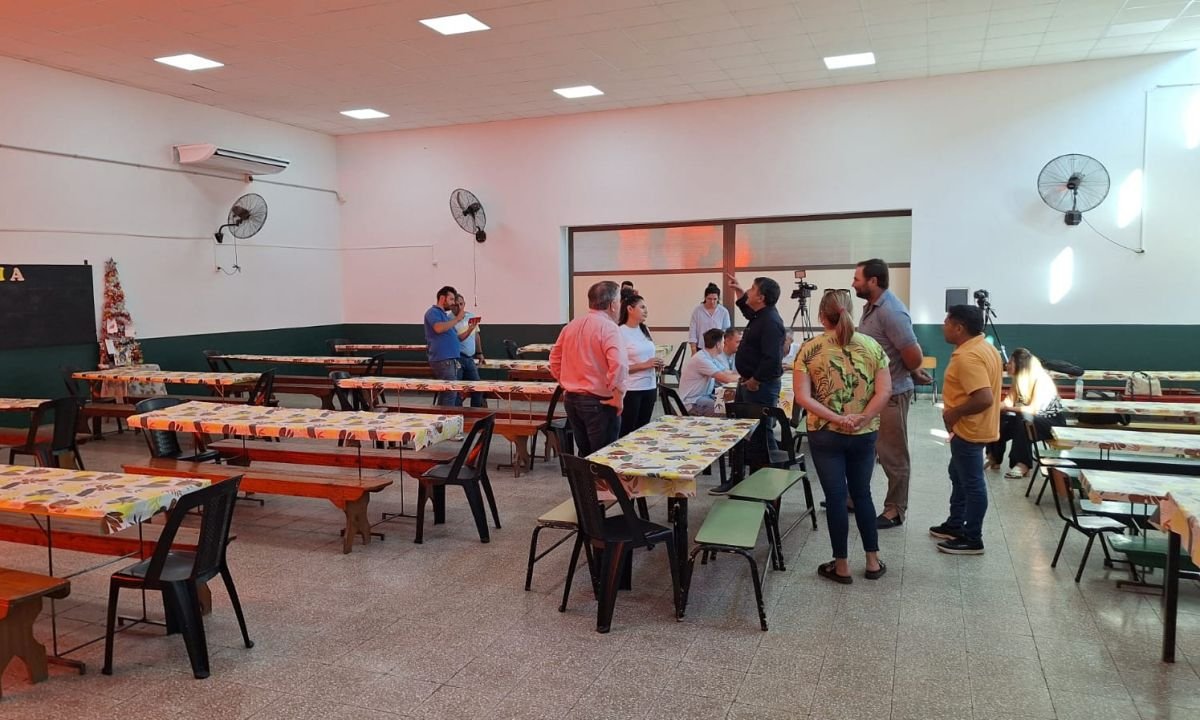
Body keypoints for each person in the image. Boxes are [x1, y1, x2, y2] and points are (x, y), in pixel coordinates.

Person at [794, 290, 891, 583]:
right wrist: (862, 417)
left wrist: (837, 418)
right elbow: (884, 391)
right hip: (864, 433)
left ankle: (842, 566)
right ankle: (872, 562)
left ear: (822, 317)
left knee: (836, 498)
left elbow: (802, 397)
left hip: (825, 434)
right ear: (851, 312)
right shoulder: (873, 347)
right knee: (862, 494)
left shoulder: (809, 349)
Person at [852, 258, 933, 530]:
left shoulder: (891, 311)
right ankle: (854, 498)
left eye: (857, 279)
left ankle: (895, 510)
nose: (853, 283)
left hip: (892, 395)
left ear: (873, 281)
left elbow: (914, 356)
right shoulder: (872, 307)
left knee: (893, 455)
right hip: (872, 394)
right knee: (864, 449)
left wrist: (911, 370)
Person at [930, 305, 1002, 555]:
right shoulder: (985, 347)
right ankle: (955, 524)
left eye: (946, 322)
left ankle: (972, 538)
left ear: (959, 327)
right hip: (976, 427)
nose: (943, 326)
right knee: (958, 473)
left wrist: (953, 413)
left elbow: (983, 398)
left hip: (970, 429)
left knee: (972, 483)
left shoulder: (968, 356)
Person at [721, 273, 785, 494]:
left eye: (752, 289)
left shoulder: (771, 322)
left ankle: (769, 484)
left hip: (759, 386)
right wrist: (739, 291)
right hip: (748, 383)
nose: (749, 291)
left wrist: (755, 380)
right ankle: (739, 479)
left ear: (762, 297)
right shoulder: (760, 316)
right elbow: (748, 311)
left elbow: (772, 359)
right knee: (743, 432)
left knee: (761, 435)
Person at [549, 281, 628, 456]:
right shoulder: (609, 328)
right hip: (599, 401)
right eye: (619, 301)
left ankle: (583, 476)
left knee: (584, 453)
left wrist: (564, 381)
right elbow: (619, 363)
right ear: (612, 305)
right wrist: (618, 393)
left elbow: (554, 358)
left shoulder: (571, 325)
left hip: (572, 399)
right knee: (603, 456)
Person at [987, 348, 1065, 478]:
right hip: (1030, 419)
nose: (1007, 365)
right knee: (1000, 417)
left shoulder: (1041, 379)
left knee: (1023, 419)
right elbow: (1008, 402)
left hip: (1051, 422)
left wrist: (1007, 408)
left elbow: (1033, 409)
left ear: (1020, 364)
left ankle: (1022, 464)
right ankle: (993, 457)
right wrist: (994, 408)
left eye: (1010, 362)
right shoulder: (1018, 379)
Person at [618, 293, 664, 436]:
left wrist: (656, 364)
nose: (646, 311)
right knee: (627, 430)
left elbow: (648, 356)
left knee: (643, 430)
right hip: (632, 389)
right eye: (642, 307)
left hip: (649, 386)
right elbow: (619, 367)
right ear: (630, 309)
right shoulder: (620, 332)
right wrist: (644, 365)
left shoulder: (644, 329)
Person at [678, 328, 740, 416]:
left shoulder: (709, 357)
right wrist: (746, 379)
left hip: (703, 397)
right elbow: (725, 378)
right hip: (692, 402)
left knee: (732, 405)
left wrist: (746, 376)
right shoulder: (702, 359)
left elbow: (727, 372)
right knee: (728, 411)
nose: (724, 345)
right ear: (718, 345)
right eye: (723, 342)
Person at [424, 285, 465, 406]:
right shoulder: (433, 312)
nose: (453, 303)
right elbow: (438, 328)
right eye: (451, 299)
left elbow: (455, 336)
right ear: (442, 298)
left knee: (446, 392)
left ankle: (441, 415)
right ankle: (447, 416)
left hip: (448, 359)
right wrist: (457, 319)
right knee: (450, 392)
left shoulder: (444, 316)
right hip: (443, 359)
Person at [453, 293, 486, 408]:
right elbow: (456, 338)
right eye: (456, 305)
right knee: (456, 389)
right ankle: (458, 414)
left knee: (477, 388)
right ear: (451, 306)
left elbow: (476, 335)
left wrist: (479, 353)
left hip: (470, 357)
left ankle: (475, 413)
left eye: (461, 304)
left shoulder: (471, 316)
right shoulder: (448, 319)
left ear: (464, 304)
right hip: (457, 358)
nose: (459, 307)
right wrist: (469, 330)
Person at [687, 283, 732, 355]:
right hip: (701, 348)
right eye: (709, 299)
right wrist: (693, 350)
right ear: (705, 298)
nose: (712, 302)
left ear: (718, 298)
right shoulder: (697, 311)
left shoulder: (723, 311)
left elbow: (726, 331)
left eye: (715, 299)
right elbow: (692, 332)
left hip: (718, 348)